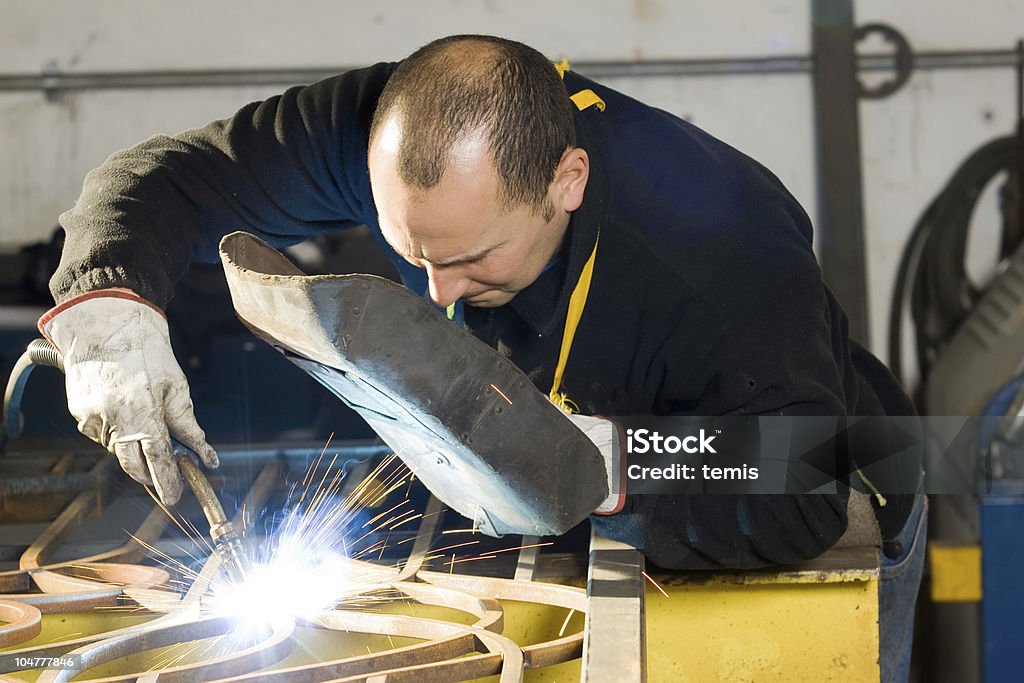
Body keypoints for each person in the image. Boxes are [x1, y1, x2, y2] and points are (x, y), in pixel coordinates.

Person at [40, 34, 924, 679]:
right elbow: (166, 177)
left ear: (565, 182)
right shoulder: (396, 130)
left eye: (470, 260)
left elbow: (796, 484)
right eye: (413, 251)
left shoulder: (725, 250)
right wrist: (110, 306)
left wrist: (604, 463)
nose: (436, 293)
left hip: (818, 465)